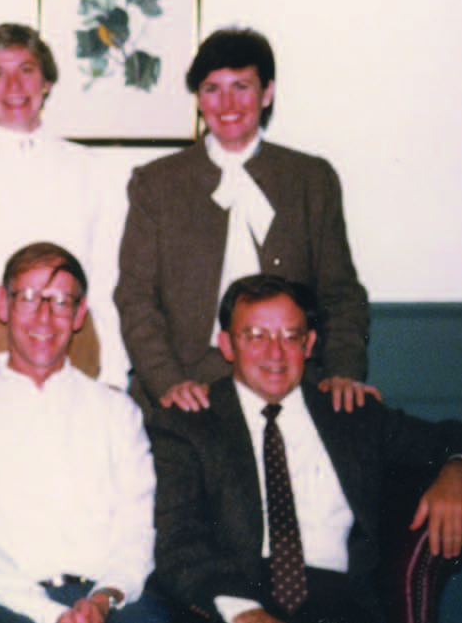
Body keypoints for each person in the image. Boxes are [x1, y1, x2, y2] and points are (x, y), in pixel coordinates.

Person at [146, 275, 462, 623]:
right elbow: (180, 541)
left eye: (290, 336)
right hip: (235, 598)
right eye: (255, 336)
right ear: (226, 345)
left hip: (339, 604)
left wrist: (459, 471)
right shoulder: (188, 425)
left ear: (309, 344)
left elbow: (461, 436)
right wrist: (244, 612)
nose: (275, 353)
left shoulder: (350, 413)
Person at [114, 27, 373, 414]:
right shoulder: (157, 184)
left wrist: (342, 372)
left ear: (267, 93)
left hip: (292, 383)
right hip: (190, 386)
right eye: (212, 88)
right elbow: (136, 298)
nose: (227, 102)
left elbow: (340, 293)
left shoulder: (310, 180)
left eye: (241, 86)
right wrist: (168, 381)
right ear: (199, 99)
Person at [0, 242, 167, 623]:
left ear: (79, 314)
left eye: (60, 301)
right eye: (28, 297)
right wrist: (50, 614)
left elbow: (136, 530)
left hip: (107, 599)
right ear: (3, 306)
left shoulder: (117, 412)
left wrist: (102, 599)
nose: (44, 317)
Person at [0, 23, 129, 392]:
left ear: (47, 82)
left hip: (76, 350)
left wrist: (114, 374)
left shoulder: (92, 169)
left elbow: (107, 283)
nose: (14, 87)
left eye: (26, 71)